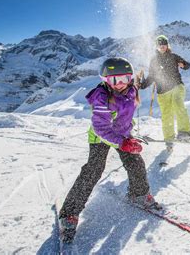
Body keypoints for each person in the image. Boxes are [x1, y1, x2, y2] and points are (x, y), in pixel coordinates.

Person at [58, 57, 160, 243]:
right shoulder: (101, 97)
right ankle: (69, 214)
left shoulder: (131, 89)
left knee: (135, 161)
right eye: (114, 80)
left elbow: (126, 115)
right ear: (105, 80)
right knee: (94, 169)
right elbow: (101, 128)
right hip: (100, 137)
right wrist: (122, 143)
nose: (120, 84)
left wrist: (128, 137)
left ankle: (139, 194)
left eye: (124, 79)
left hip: (122, 135)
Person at [138, 35, 190, 149]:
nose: (162, 47)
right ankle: (169, 138)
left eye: (164, 45)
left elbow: (187, 65)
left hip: (176, 86)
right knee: (167, 115)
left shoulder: (173, 56)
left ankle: (184, 133)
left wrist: (183, 65)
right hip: (162, 92)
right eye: (160, 45)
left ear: (167, 46)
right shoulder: (154, 60)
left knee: (178, 104)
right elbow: (151, 76)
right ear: (157, 46)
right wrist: (142, 85)